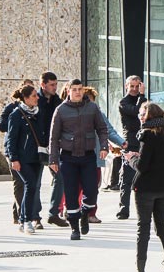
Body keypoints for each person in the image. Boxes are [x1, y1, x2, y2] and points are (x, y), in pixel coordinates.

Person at [48, 79, 109, 241]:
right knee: (71, 193)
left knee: (92, 192)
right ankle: (75, 228)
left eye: (80, 89)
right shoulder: (61, 110)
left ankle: (84, 213)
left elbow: (102, 129)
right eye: (74, 89)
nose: (77, 92)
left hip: (88, 156)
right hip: (68, 158)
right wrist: (53, 159)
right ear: (68, 91)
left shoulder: (92, 108)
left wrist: (104, 147)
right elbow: (53, 138)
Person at [129, 101, 164, 272]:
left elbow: (142, 166)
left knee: (143, 229)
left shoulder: (148, 136)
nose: (140, 117)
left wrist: (132, 159)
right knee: (162, 228)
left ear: (148, 115)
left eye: (142, 114)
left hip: (146, 188)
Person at [4, 84, 47, 235]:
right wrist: (13, 158)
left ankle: (23, 219)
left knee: (33, 187)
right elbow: (11, 139)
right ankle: (27, 220)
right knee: (29, 185)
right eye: (34, 95)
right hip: (22, 159)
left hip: (37, 157)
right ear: (26, 98)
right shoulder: (16, 114)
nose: (37, 98)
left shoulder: (38, 113)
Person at [83, 87, 127, 223]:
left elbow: (109, 130)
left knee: (93, 185)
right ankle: (74, 210)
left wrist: (122, 143)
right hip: (74, 155)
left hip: (94, 155)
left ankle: (90, 213)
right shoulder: (70, 112)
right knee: (76, 186)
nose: (89, 104)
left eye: (91, 101)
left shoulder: (98, 114)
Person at [0, 81, 35, 226]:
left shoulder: (35, 110)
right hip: (13, 150)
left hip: (29, 152)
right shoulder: (12, 109)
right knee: (20, 183)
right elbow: (2, 126)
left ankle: (20, 213)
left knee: (28, 183)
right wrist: (18, 120)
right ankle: (21, 215)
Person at [36, 71, 68, 228]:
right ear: (43, 85)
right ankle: (35, 217)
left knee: (60, 178)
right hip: (36, 146)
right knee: (35, 182)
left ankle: (53, 213)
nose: (55, 87)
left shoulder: (57, 101)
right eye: (52, 85)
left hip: (53, 146)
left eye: (56, 84)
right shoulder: (35, 99)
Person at [117, 75, 147, 220]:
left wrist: (142, 96)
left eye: (137, 86)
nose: (135, 89)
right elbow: (136, 111)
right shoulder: (123, 102)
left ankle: (146, 209)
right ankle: (123, 210)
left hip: (143, 142)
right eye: (132, 86)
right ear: (126, 86)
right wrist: (141, 95)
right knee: (127, 178)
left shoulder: (144, 100)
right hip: (130, 142)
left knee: (144, 177)